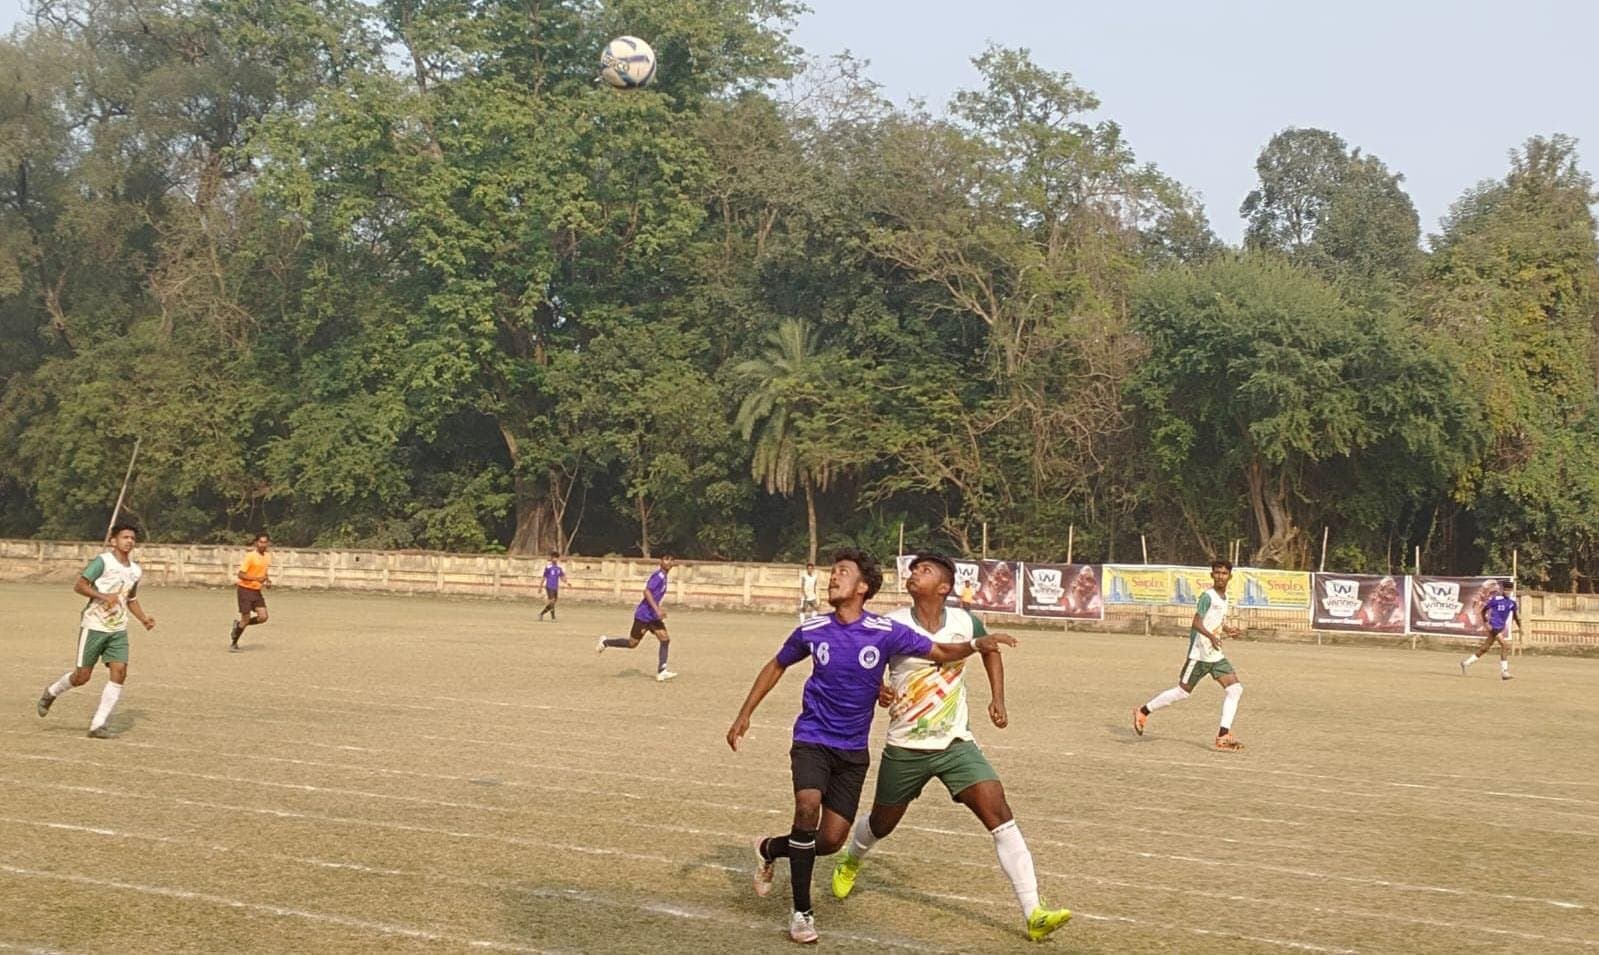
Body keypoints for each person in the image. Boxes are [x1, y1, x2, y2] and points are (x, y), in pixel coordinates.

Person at [725, 548, 1016, 944]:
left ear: (863, 587)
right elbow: (776, 664)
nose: (833, 578)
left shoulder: (884, 631)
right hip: (812, 739)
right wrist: (744, 714)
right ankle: (801, 913)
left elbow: (940, 651)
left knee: (829, 841)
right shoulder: (812, 629)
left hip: (852, 752)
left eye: (842, 572)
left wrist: (977, 645)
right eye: (833, 572)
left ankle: (769, 849)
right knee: (807, 805)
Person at [830, 553, 1072, 942]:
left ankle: (1034, 912)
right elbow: (866, 663)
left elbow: (988, 648)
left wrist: (998, 698)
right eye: (912, 570)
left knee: (999, 811)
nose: (913, 575)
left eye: (923, 571)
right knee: (881, 823)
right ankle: (851, 859)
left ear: (943, 587)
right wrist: (880, 688)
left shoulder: (965, 621)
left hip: (955, 742)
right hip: (906, 745)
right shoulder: (891, 623)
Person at [36, 523, 157, 738]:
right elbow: (80, 586)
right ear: (114, 541)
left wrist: (143, 618)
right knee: (82, 676)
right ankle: (52, 692)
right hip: (94, 625)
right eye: (125, 537)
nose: (129, 541)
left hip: (118, 628)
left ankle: (98, 724)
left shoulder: (135, 570)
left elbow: (131, 598)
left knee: (120, 671)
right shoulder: (103, 562)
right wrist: (103, 596)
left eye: (132, 538)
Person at [1131, 559, 1246, 751]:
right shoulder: (1207, 596)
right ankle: (1143, 711)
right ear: (1212, 575)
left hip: (1215, 655)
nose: (1220, 576)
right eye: (1217, 572)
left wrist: (1228, 629)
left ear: (1230, 576)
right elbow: (1196, 623)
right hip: (1199, 654)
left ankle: (1223, 735)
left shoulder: (1224, 598)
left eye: (1224, 573)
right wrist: (1210, 636)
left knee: (1235, 689)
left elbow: (1215, 620)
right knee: (1182, 692)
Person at [596, 555, 677, 681]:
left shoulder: (664, 577)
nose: (669, 562)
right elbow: (647, 592)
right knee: (632, 643)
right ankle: (605, 642)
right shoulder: (658, 576)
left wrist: (657, 611)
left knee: (665, 639)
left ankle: (662, 671)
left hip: (653, 617)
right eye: (666, 559)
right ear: (661, 561)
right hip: (644, 615)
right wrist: (657, 609)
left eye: (671, 560)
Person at [1461, 580, 1521, 680]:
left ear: (1511, 591)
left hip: (1500, 627)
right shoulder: (1495, 600)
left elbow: (1515, 616)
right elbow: (1483, 611)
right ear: (1503, 590)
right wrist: (1486, 623)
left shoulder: (1512, 603)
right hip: (1494, 626)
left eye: (1509, 590)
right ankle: (1504, 672)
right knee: (1505, 645)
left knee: (1485, 648)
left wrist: (1520, 627)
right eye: (1506, 590)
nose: (1507, 592)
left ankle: (1466, 663)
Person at [229, 532, 272, 650]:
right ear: (256, 543)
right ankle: (234, 643)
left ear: (268, 543)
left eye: (265, 542)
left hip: (256, 591)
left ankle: (238, 626)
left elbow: (264, 571)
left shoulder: (267, 556)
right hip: (245, 590)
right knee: (246, 618)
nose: (263, 544)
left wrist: (267, 580)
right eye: (260, 542)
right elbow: (241, 574)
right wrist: (257, 579)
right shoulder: (250, 556)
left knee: (263, 617)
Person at [537, 553, 567, 622]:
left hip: (555, 587)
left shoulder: (559, 568)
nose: (555, 559)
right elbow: (544, 577)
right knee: (552, 601)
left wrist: (566, 581)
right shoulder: (548, 567)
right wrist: (540, 587)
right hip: (549, 586)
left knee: (552, 603)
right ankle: (553, 617)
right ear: (551, 558)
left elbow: (562, 577)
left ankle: (541, 614)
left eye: (556, 558)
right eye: (553, 557)